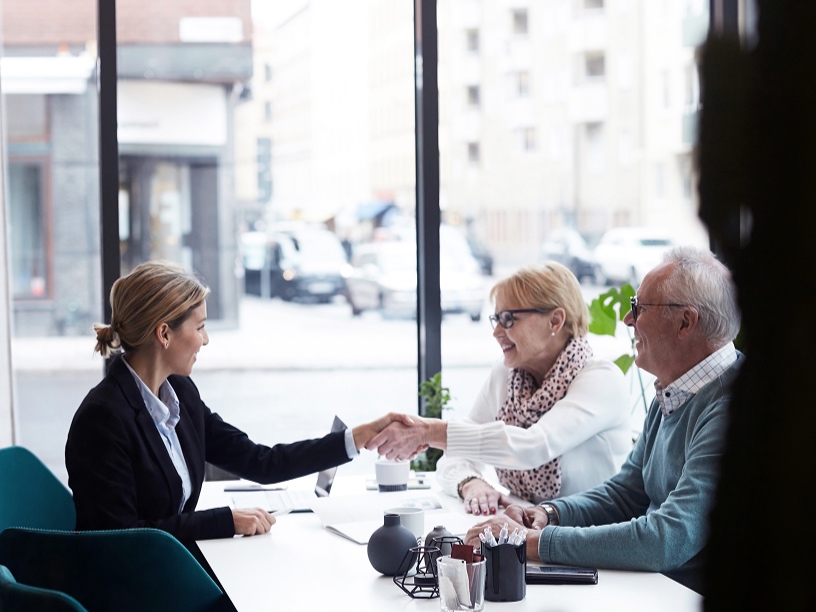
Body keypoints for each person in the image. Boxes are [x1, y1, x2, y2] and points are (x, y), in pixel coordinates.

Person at [65, 260, 413, 544]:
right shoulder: (104, 419)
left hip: (169, 568)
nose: (206, 339)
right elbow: (119, 539)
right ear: (164, 334)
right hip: (133, 595)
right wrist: (224, 521)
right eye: (199, 327)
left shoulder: (180, 395)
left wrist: (357, 438)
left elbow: (261, 462)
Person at [460, 246, 741, 592]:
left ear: (685, 322)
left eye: (639, 308)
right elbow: (626, 495)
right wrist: (547, 514)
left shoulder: (732, 406)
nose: (627, 319)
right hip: (659, 590)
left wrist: (533, 542)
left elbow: (667, 539)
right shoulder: (676, 390)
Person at [370, 261, 632, 516]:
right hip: (532, 533)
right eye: (495, 318)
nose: (496, 332)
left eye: (508, 319)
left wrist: (430, 432)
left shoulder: (601, 379)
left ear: (555, 321)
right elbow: (455, 456)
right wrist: (471, 483)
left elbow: (533, 447)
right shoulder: (507, 376)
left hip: (593, 539)